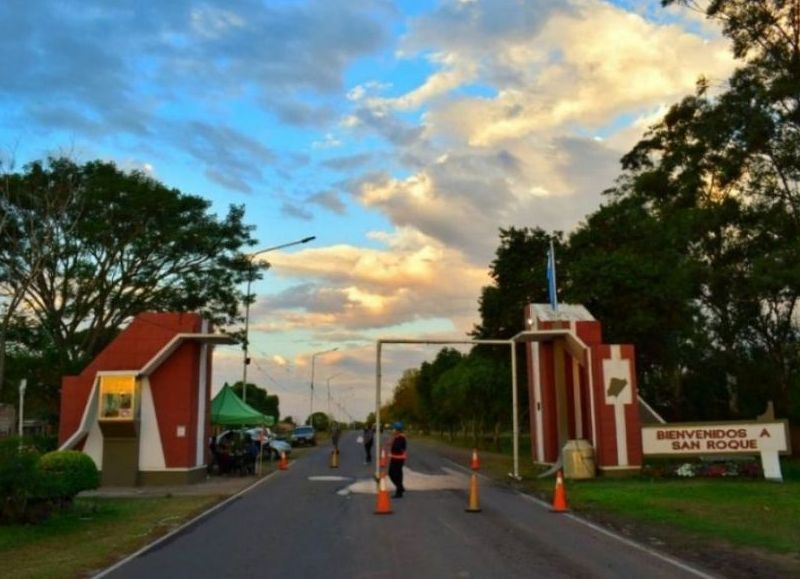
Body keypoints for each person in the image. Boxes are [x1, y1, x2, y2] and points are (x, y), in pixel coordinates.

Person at [387, 421, 407, 498]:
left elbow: (402, 453)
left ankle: (399, 490)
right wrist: (393, 437)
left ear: (398, 430)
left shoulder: (402, 439)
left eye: (394, 429)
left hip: (398, 460)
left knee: (395, 474)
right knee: (394, 474)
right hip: (394, 458)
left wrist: (392, 454)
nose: (393, 430)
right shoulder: (396, 437)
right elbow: (389, 444)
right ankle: (400, 489)